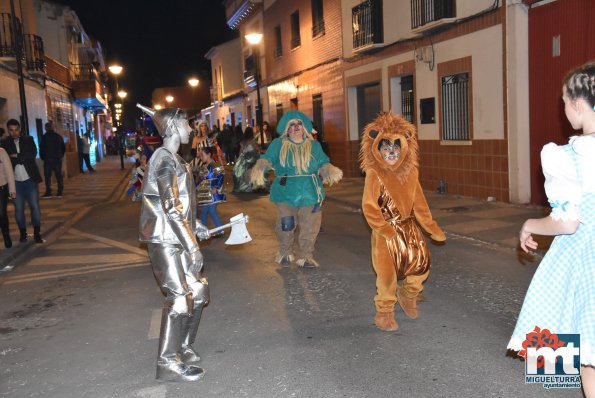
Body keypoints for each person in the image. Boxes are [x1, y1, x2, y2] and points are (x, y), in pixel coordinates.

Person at [508, 63, 595, 393]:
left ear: (577, 103)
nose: (563, 109)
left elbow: (568, 222)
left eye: (563, 101)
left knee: (588, 356)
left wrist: (529, 224)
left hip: (587, 264)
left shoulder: (570, 156)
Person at [137, 104, 210, 382]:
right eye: (185, 124)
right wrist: (192, 245)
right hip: (164, 239)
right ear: (171, 128)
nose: (190, 129)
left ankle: (182, 347)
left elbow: (181, 205)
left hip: (176, 234)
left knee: (199, 292)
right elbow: (170, 207)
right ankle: (167, 363)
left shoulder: (176, 159)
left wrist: (197, 225)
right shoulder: (165, 159)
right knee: (179, 299)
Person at [359, 112, 446, 331]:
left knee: (421, 267)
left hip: (409, 228)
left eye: (396, 148)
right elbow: (369, 207)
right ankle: (385, 312)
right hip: (385, 230)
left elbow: (420, 204)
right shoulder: (374, 174)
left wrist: (432, 227)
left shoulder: (411, 172)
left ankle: (408, 294)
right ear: (377, 149)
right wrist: (384, 229)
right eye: (386, 148)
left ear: (404, 148)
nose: (391, 152)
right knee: (387, 275)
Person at [250, 110, 343, 268]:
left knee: (310, 225)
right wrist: (260, 167)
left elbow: (322, 162)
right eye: (291, 125)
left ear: (304, 127)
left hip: (310, 191)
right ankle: (285, 252)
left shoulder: (314, 145)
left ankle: (306, 256)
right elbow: (267, 158)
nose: (295, 127)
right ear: (287, 129)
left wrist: (328, 169)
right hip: (286, 191)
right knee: (286, 223)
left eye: (299, 123)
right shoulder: (278, 144)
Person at [4, 119, 43, 243]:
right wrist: (20, 157)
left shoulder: (28, 139)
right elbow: (6, 161)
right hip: (15, 183)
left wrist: (16, 156)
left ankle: (37, 233)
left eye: (16, 130)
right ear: (8, 130)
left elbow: (32, 154)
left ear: (19, 129)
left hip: (30, 180)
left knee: (34, 206)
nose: (14, 133)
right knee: (19, 209)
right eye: (11, 130)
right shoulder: (4, 143)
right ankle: (23, 233)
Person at [196, 146, 225, 236]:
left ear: (208, 154)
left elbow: (221, 175)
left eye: (202, 155)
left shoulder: (214, 165)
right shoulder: (205, 166)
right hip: (207, 194)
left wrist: (215, 187)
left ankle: (220, 231)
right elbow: (201, 179)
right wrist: (195, 187)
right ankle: (203, 231)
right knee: (204, 211)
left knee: (211, 210)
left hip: (213, 193)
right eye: (200, 155)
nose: (201, 157)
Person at [232, 126, 263, 193]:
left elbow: (240, 151)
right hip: (251, 159)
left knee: (243, 172)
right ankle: (252, 186)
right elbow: (258, 149)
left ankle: (244, 186)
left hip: (243, 159)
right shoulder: (252, 141)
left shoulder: (243, 141)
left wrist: (238, 160)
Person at [39, 121, 66, 198]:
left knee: (47, 176)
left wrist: (43, 157)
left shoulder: (44, 137)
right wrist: (60, 156)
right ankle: (60, 191)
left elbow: (42, 149)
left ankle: (48, 191)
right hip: (57, 159)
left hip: (48, 160)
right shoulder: (58, 136)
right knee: (58, 175)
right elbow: (63, 148)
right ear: (52, 128)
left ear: (45, 128)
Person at [0, 144, 15, 248]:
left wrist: (12, 189)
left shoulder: (1, 152)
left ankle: (6, 235)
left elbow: (9, 171)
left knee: (1, 213)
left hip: (1, 187)